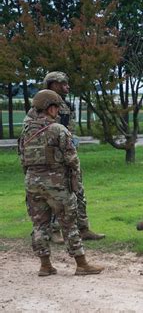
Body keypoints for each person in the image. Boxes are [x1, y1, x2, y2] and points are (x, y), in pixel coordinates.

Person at [18, 90, 104, 276]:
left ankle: (45, 265)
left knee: (39, 225)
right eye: (56, 107)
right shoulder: (58, 129)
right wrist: (75, 180)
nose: (57, 111)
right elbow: (72, 159)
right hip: (56, 184)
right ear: (50, 108)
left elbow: (22, 158)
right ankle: (81, 264)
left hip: (32, 183)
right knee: (69, 224)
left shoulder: (26, 130)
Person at [25, 71, 105, 243]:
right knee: (54, 196)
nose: (67, 86)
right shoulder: (38, 107)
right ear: (52, 85)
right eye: (63, 84)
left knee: (78, 191)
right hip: (51, 163)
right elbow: (30, 134)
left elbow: (70, 130)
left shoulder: (66, 106)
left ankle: (83, 228)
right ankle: (54, 231)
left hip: (67, 156)